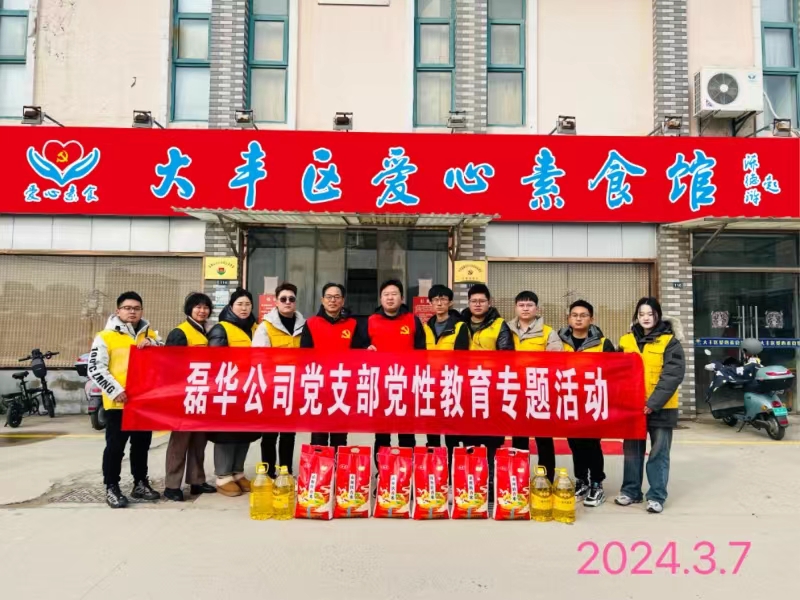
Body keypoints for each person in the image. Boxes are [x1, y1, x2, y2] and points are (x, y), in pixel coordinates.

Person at [89, 291, 162, 509]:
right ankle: (111, 486)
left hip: (144, 402)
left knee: (141, 445)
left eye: (136, 308)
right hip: (118, 403)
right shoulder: (105, 337)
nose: (132, 312)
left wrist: (153, 343)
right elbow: (95, 368)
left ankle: (140, 483)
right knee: (115, 447)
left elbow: (166, 355)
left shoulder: (149, 334)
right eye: (127, 308)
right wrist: (114, 390)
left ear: (142, 311)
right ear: (118, 311)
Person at [615, 297, 685, 514]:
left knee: (658, 453)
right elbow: (616, 371)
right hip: (632, 408)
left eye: (650, 314)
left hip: (662, 408)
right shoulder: (626, 340)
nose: (645, 318)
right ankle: (630, 491)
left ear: (658, 316)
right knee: (632, 452)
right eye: (641, 314)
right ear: (636, 316)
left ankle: (656, 496)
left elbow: (672, 375)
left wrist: (653, 403)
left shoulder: (670, 342)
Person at [558, 299, 615, 507]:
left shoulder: (603, 343)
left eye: (583, 315)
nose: (578, 319)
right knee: (574, 443)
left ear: (592, 319)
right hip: (568, 400)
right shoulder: (558, 341)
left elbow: (614, 372)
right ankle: (581, 480)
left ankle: (597, 483)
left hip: (592, 401)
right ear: (568, 318)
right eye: (574, 315)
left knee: (592, 443)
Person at [206, 288, 262, 497]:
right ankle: (223, 476)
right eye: (240, 304)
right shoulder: (221, 329)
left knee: (245, 432)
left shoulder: (257, 328)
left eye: (247, 304)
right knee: (227, 433)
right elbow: (215, 361)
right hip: (228, 390)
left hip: (250, 389)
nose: (244, 308)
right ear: (231, 306)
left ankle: (238, 472)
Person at [460, 283, 513, 496]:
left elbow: (506, 356)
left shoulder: (499, 324)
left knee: (492, 438)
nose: (478, 304)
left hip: (490, 390)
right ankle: (472, 482)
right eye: (474, 301)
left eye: (482, 301)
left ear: (489, 303)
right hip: (466, 390)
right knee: (469, 438)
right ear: (468, 303)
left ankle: (491, 482)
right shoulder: (460, 324)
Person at [163, 292, 217, 502]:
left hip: (202, 394)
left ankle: (196, 480)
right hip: (183, 396)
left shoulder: (207, 332)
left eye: (205, 307)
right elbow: (170, 366)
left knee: (199, 441)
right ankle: (172, 485)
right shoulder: (180, 333)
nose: (202, 311)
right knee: (180, 442)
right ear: (189, 310)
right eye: (198, 307)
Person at [367, 279, 426, 465]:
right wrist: (366, 351)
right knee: (382, 435)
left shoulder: (412, 320)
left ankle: (406, 473)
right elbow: (360, 350)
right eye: (386, 294)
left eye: (394, 294)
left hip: (406, 387)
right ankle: (383, 472)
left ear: (402, 298)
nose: (390, 298)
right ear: (380, 298)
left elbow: (422, 353)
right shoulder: (371, 321)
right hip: (380, 388)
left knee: (407, 434)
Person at [302, 283, 369, 448]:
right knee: (318, 436)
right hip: (319, 387)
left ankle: (339, 464)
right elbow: (304, 357)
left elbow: (359, 353)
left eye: (337, 297)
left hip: (342, 387)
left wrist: (368, 351)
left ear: (343, 301)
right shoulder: (311, 323)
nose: (333, 300)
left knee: (340, 436)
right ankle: (319, 464)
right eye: (329, 297)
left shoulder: (352, 324)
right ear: (322, 300)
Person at [506, 291, 562, 483]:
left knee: (543, 438)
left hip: (539, 392)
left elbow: (556, 363)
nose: (525, 309)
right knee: (518, 439)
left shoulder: (548, 332)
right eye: (521, 305)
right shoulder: (506, 329)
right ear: (515, 307)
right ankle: (518, 479)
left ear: (537, 308)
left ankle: (546, 480)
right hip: (515, 391)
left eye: (529, 305)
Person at [252, 282, 305, 478]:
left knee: (289, 433)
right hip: (272, 388)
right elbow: (258, 357)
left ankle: (286, 471)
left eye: (291, 299)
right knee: (270, 434)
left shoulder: (304, 326)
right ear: (276, 301)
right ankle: (268, 473)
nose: (287, 302)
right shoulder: (265, 327)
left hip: (293, 388)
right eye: (283, 299)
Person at [421, 284, 470, 463]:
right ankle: (435, 468)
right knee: (432, 431)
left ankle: (453, 469)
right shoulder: (425, 327)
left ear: (450, 303)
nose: (439, 303)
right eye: (435, 300)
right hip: (430, 386)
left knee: (452, 433)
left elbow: (462, 359)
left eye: (443, 299)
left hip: (451, 385)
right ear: (430, 303)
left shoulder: (460, 327)